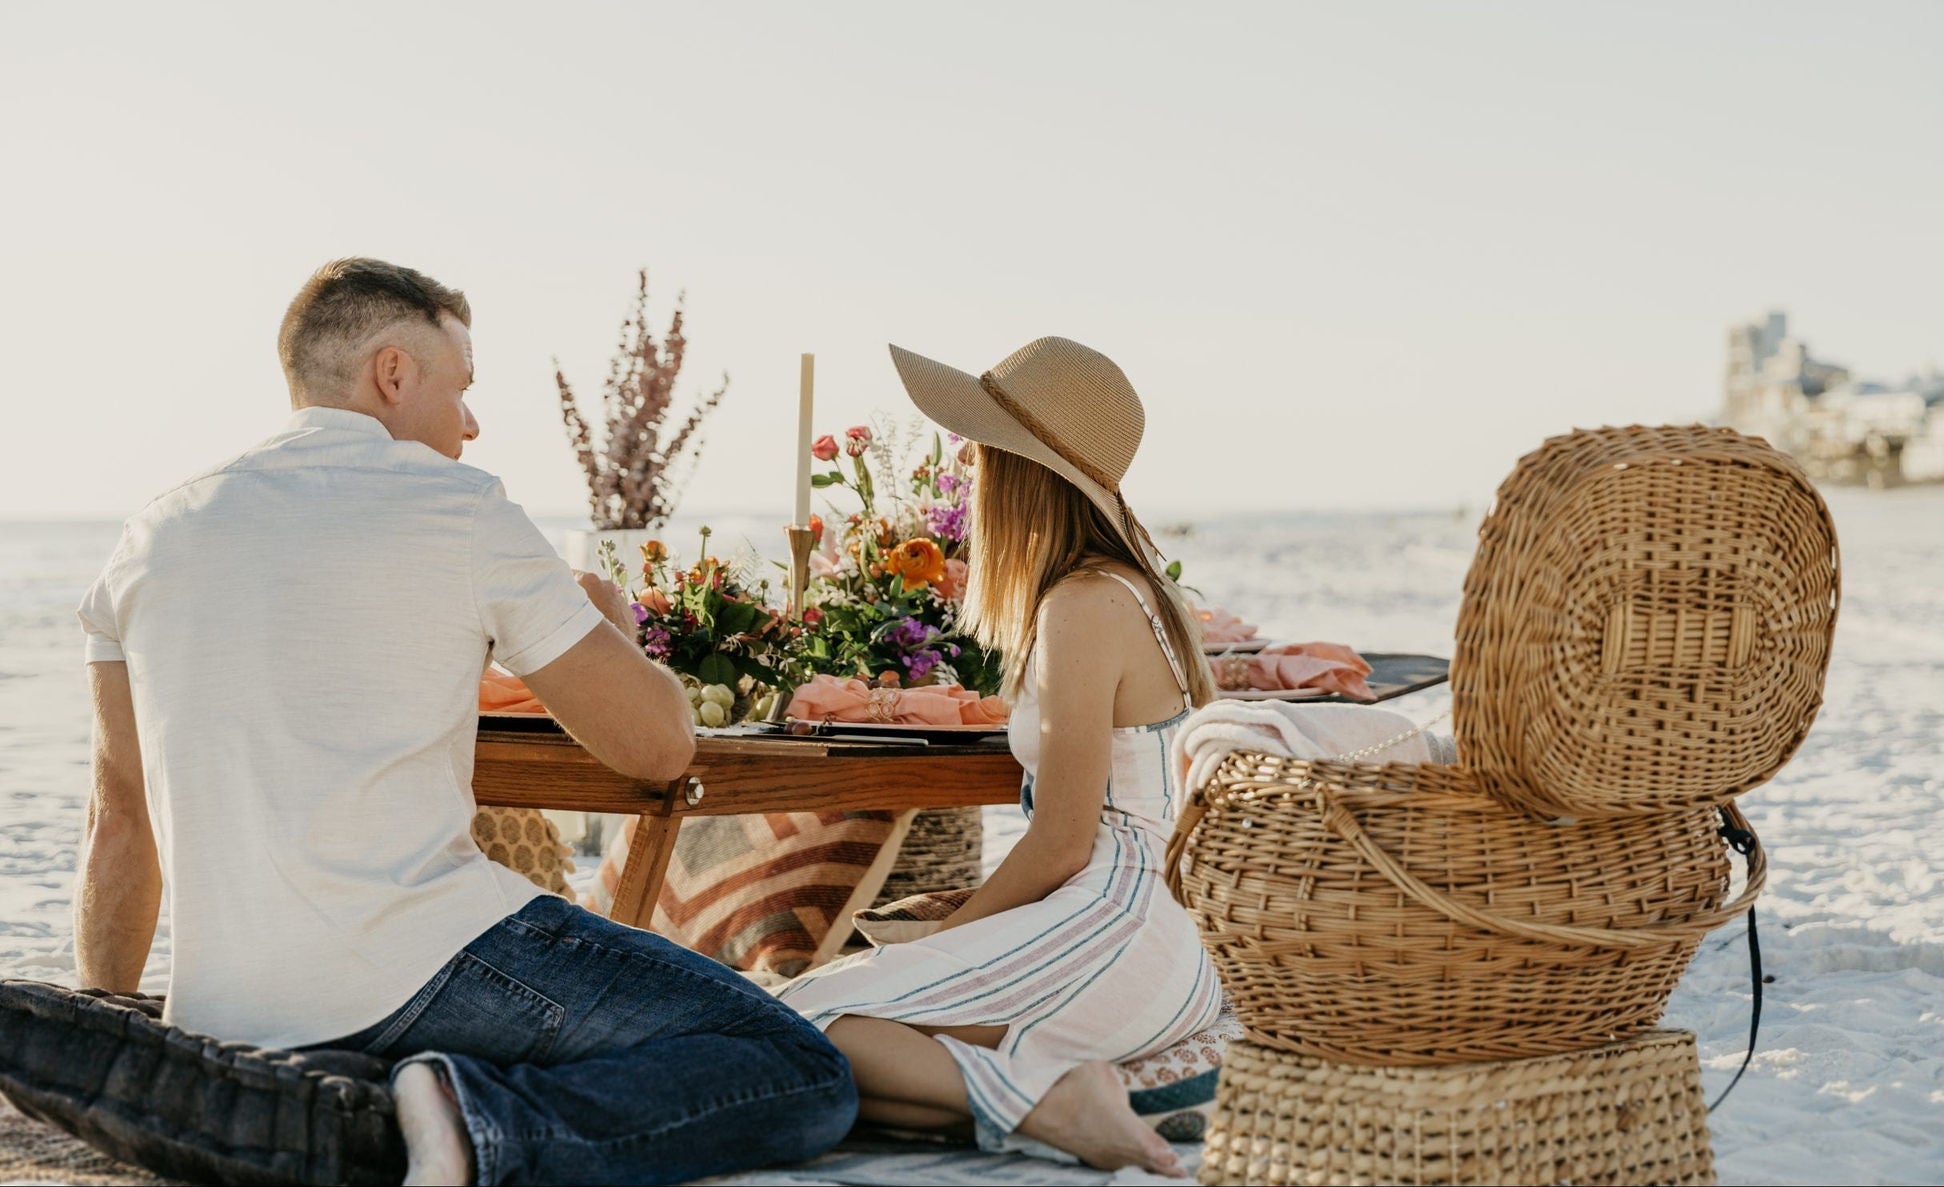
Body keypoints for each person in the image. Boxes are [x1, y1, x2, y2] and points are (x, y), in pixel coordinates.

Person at [73, 258, 856, 1185]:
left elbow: (119, 820)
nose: (472, 423)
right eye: (464, 388)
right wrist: (612, 625)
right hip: (425, 958)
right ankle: (481, 1127)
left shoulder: (150, 536)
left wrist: (110, 1038)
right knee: (797, 1065)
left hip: (227, 1010)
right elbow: (657, 746)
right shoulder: (460, 506)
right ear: (393, 373)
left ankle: (364, 1095)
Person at [774, 337, 1225, 1176]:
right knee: (818, 1063)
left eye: (983, 450)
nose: (971, 469)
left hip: (1117, 925)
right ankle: (1042, 1104)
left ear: (1020, 473)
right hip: (1171, 931)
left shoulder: (1083, 605)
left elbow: (1062, 842)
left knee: (803, 1024)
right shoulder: (1141, 588)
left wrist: (941, 937)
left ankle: (1053, 1101)